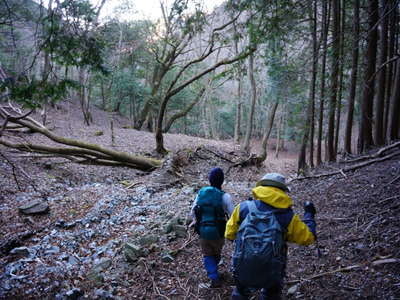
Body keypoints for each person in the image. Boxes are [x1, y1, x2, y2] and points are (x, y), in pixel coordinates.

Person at [225, 173, 317, 300]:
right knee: (271, 294)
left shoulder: (243, 208)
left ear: (260, 187)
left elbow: (229, 234)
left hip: (243, 265)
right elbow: (308, 238)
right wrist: (309, 215)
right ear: (283, 191)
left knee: (240, 292)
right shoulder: (287, 216)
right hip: (272, 271)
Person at [190, 167, 234, 288]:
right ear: (222, 181)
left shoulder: (201, 193)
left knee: (207, 254)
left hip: (203, 231)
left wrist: (196, 222)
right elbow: (233, 216)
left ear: (210, 180)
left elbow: (193, 211)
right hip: (219, 231)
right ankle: (215, 269)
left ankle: (213, 277)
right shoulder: (225, 197)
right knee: (216, 252)